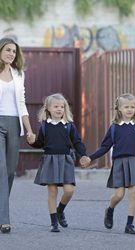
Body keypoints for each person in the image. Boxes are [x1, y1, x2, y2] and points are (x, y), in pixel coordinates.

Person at [81, 93, 135, 234]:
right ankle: (110, 209)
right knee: (119, 195)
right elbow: (104, 147)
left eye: (132, 107)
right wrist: (90, 158)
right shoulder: (114, 128)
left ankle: (129, 225)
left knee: (133, 192)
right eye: (126, 107)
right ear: (119, 109)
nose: (129, 109)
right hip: (119, 163)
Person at [27, 93, 90, 232]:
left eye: (62, 106)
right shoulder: (45, 126)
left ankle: (60, 210)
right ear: (48, 108)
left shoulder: (69, 126)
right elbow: (39, 143)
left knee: (69, 190)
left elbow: (77, 142)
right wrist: (31, 142)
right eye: (56, 106)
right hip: (50, 160)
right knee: (52, 192)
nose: (59, 109)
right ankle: (54, 222)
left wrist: (84, 155)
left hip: (66, 160)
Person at [0, 37, 34, 234]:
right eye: (8, 50)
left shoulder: (19, 74)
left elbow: (22, 103)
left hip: (14, 124)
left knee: (11, 170)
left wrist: (29, 129)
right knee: (1, 170)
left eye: (14, 51)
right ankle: (5, 219)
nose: (11, 54)